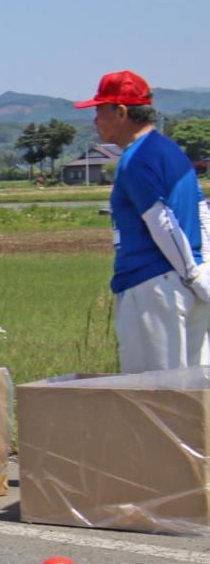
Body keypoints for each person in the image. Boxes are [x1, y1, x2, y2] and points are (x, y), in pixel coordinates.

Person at [74, 70, 210, 373]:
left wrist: (191, 274)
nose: (95, 119)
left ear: (120, 112)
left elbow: (161, 220)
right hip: (190, 281)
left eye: (98, 110)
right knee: (196, 389)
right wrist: (203, 269)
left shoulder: (135, 160)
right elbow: (202, 210)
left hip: (153, 284)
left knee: (154, 392)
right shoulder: (170, 150)